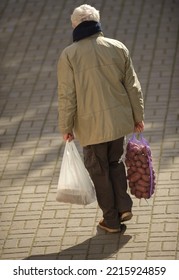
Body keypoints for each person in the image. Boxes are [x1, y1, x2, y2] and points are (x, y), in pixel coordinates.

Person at [57, 4, 144, 233]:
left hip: (90, 127)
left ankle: (111, 220)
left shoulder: (69, 55)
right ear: (96, 23)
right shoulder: (117, 47)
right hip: (118, 124)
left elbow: (67, 95)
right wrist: (138, 116)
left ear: (75, 26)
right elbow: (133, 87)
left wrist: (66, 126)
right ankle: (124, 206)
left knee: (99, 170)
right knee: (115, 163)